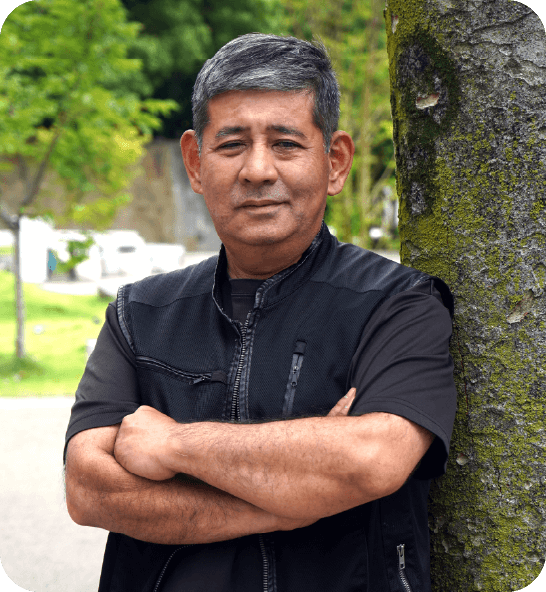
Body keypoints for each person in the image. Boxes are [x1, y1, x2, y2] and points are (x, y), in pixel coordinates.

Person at [64, 33, 457, 592]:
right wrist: (293, 501)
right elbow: (89, 489)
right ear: (195, 163)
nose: (257, 170)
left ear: (335, 162)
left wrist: (174, 445)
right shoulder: (140, 314)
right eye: (231, 145)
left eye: (286, 143)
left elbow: (370, 459)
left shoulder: (399, 305)